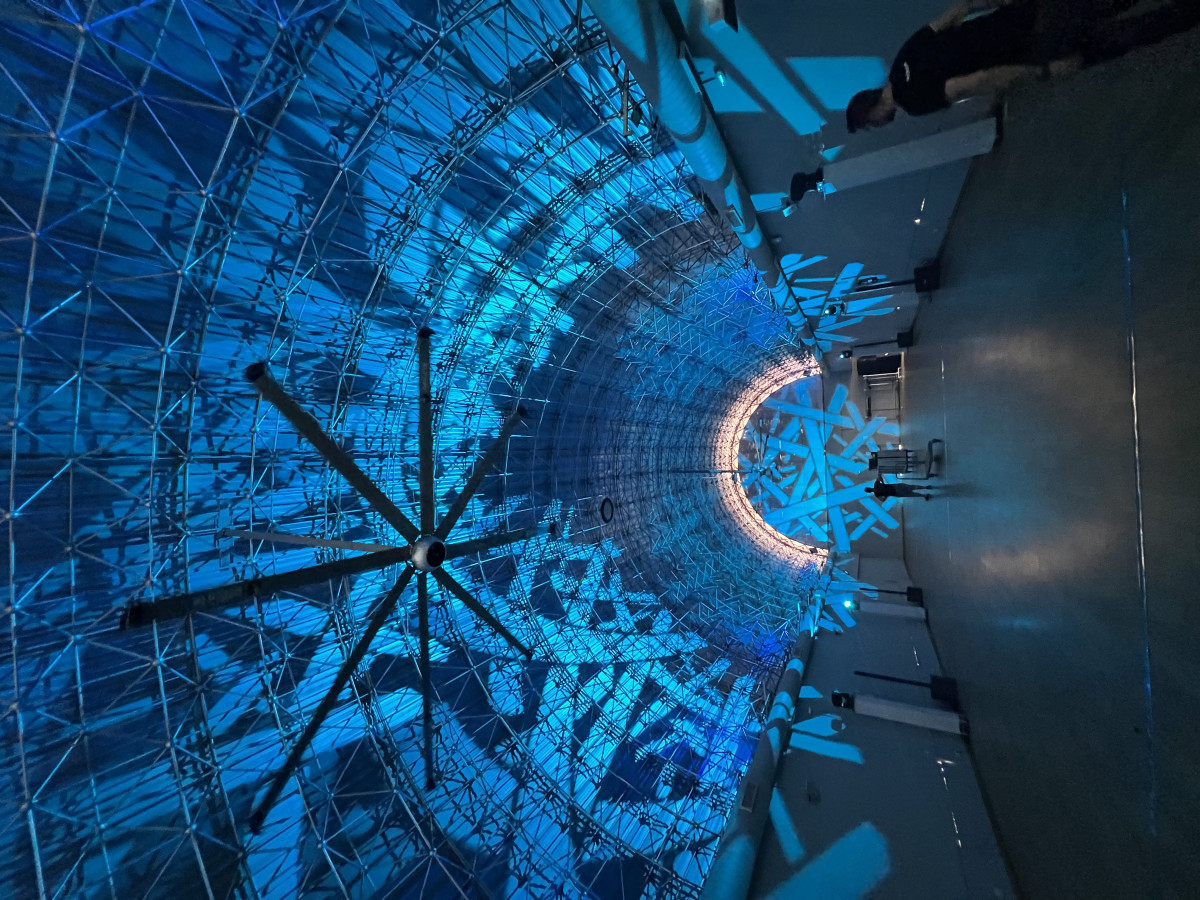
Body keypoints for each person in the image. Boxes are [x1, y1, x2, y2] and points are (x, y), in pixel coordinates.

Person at [845, 0, 1200, 132]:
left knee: (1128, 33)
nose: (877, 125)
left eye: (870, 123)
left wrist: (1044, 72)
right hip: (1024, 15)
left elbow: (977, 80)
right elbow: (958, 11)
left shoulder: (914, 101)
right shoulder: (903, 57)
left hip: (1034, 48)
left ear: (870, 109)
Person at [865, 479, 933, 501]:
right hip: (896, 490)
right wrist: (886, 495)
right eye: (870, 490)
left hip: (895, 489)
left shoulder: (876, 488)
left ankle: (925, 489)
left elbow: (879, 478)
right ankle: (924, 492)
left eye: (869, 489)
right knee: (911, 491)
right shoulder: (877, 491)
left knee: (911, 488)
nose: (871, 489)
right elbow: (882, 500)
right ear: (870, 491)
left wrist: (886, 495)